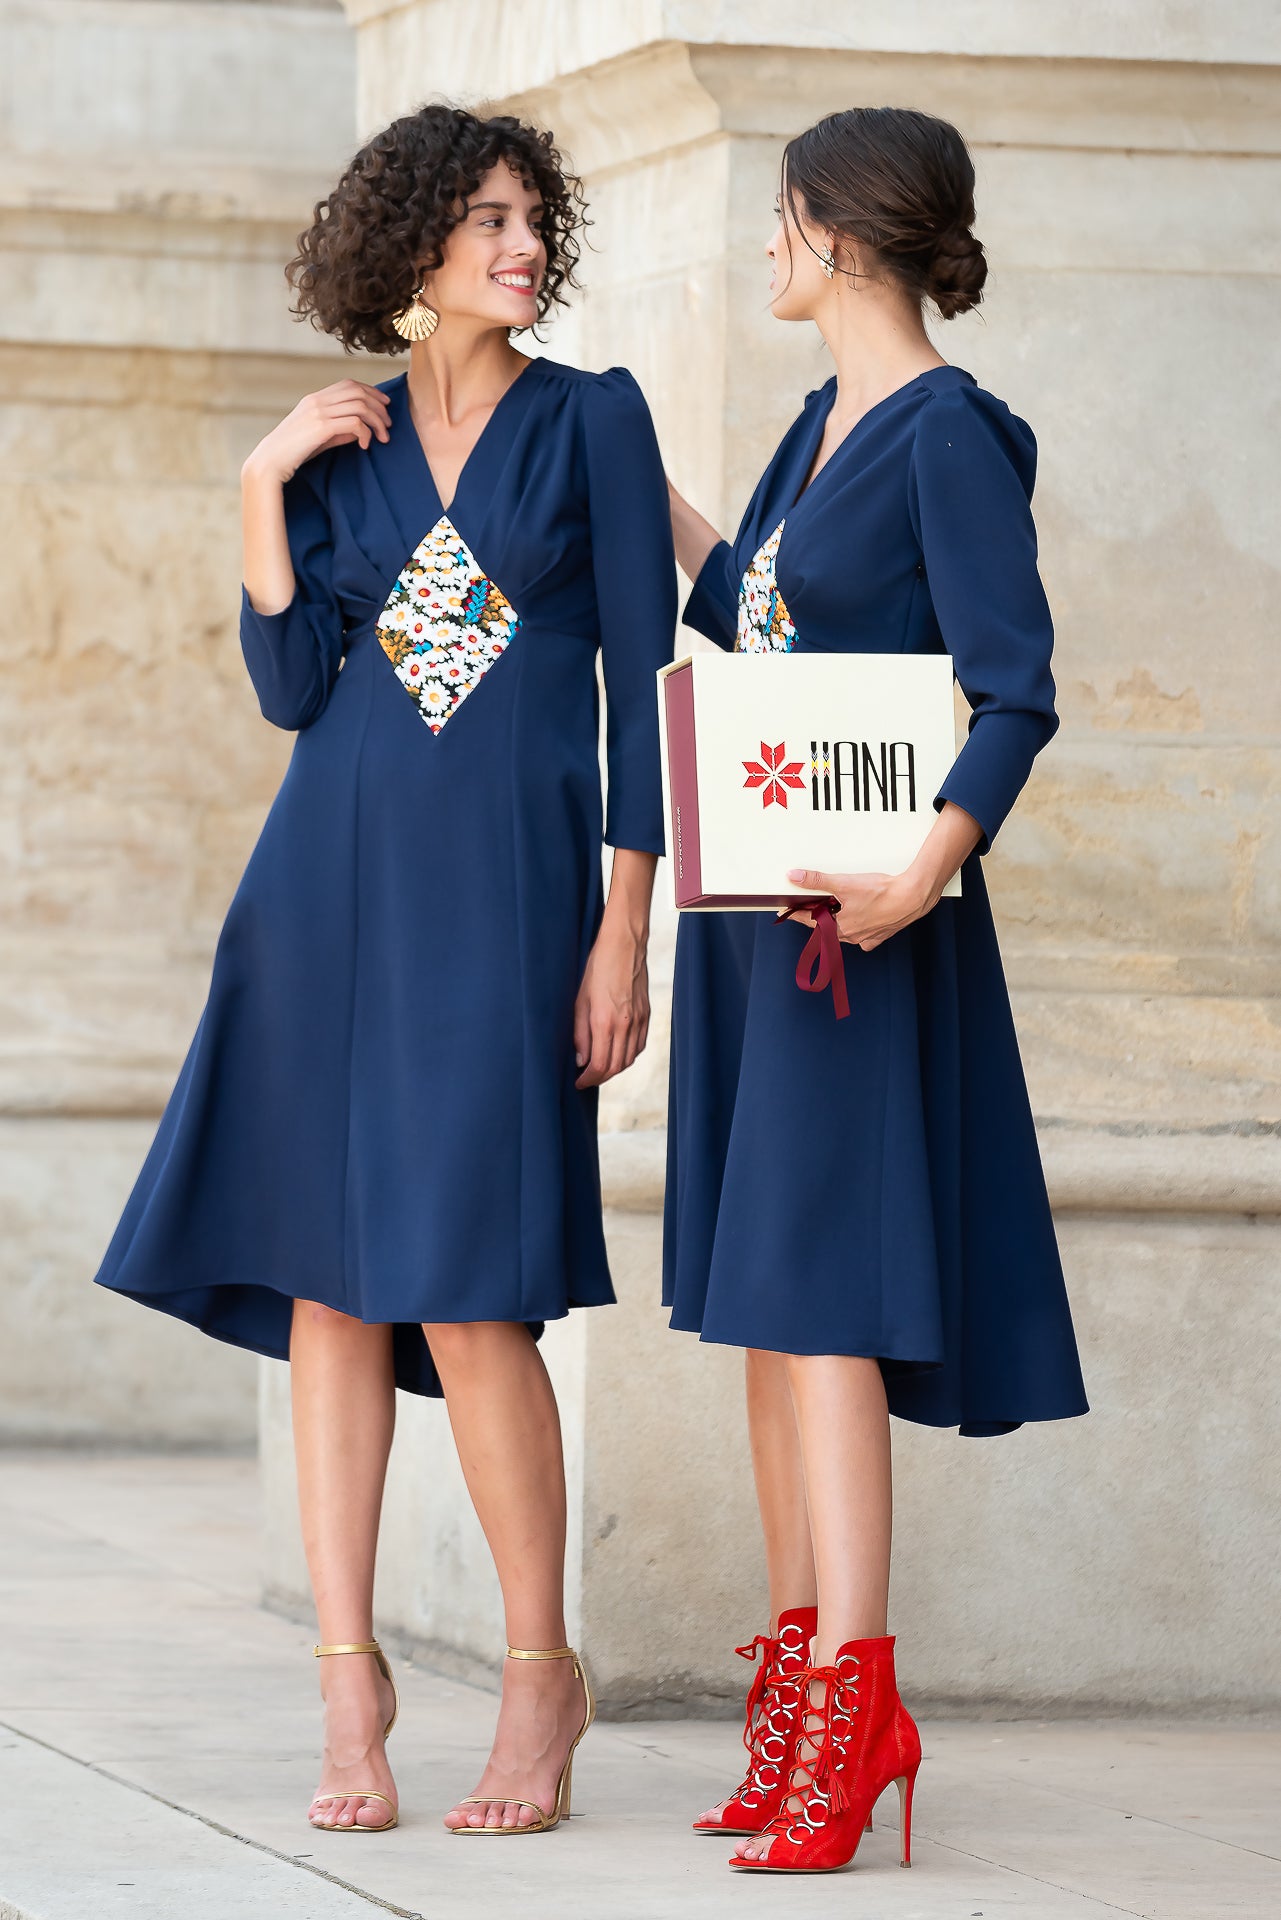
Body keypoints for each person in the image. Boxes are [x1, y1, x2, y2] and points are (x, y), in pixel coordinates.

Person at [93, 103, 675, 1838]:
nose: (520, 243)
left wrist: (623, 925)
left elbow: (641, 686)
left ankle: (538, 1677)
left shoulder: (589, 420)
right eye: (484, 217)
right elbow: (296, 692)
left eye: (530, 216)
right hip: (322, 900)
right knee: (330, 1297)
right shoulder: (342, 447)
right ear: (413, 242)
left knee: (471, 1297)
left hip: (501, 908)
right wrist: (259, 481)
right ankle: (349, 1689)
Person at [663, 106, 1088, 1874]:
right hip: (760, 930)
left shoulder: (945, 435)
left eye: (778, 218)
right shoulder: (809, 424)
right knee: (772, 1315)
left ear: (837, 233)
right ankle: (795, 1707)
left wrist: (922, 870)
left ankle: (854, 1713)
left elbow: (1016, 686)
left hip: (866, 937)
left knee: (824, 1308)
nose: (763, 247)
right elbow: (751, 623)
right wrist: (622, 466)